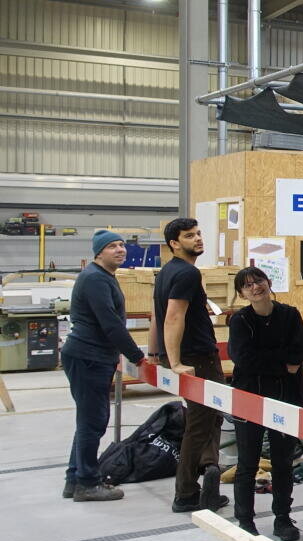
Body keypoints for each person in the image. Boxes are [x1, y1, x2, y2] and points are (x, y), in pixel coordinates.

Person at [150, 216, 229, 513]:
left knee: (209, 419)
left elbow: (156, 316)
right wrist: (175, 362)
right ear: (174, 243)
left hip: (195, 356)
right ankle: (186, 493)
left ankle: (209, 471)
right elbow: (172, 316)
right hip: (199, 359)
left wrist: (155, 353)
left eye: (198, 233)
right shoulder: (186, 274)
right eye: (188, 236)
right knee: (199, 424)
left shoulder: (168, 272)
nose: (197, 238)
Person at [60, 230, 145, 502]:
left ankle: (75, 478)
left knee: (89, 419)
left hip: (92, 356)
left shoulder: (102, 276)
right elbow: (111, 324)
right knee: (93, 421)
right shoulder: (95, 279)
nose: (120, 250)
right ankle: (86, 483)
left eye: (122, 245)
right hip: (89, 357)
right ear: (99, 252)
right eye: (112, 246)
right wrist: (137, 356)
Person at [227, 266, 303, 541]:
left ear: (268, 282)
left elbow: (299, 351)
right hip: (249, 398)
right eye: (247, 285)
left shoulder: (290, 315)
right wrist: (282, 363)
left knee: (283, 462)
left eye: (258, 281)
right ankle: (245, 520)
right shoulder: (240, 321)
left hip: (286, 398)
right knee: (247, 463)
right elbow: (243, 358)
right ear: (241, 293)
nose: (255, 287)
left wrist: (272, 361)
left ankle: (283, 518)